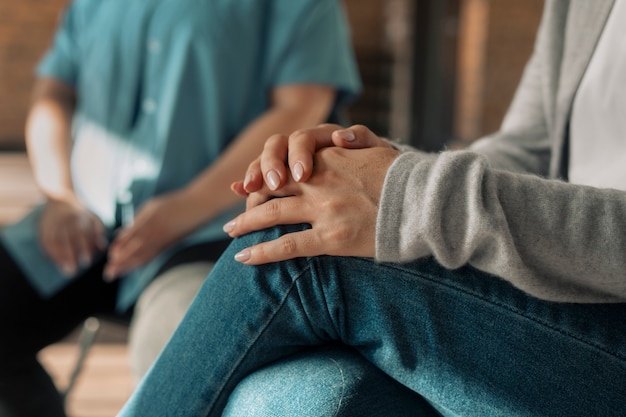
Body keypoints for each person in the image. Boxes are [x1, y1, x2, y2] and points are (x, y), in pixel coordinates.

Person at [118, 0, 626, 416]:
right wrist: (374, 166)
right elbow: (527, 150)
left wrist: (409, 194)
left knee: (298, 246)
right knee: (303, 402)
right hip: (549, 291)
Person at [0, 0, 361, 416]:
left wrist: (182, 210)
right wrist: (59, 195)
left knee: (179, 364)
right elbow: (55, 93)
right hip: (85, 222)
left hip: (210, 231)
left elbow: (300, 105)